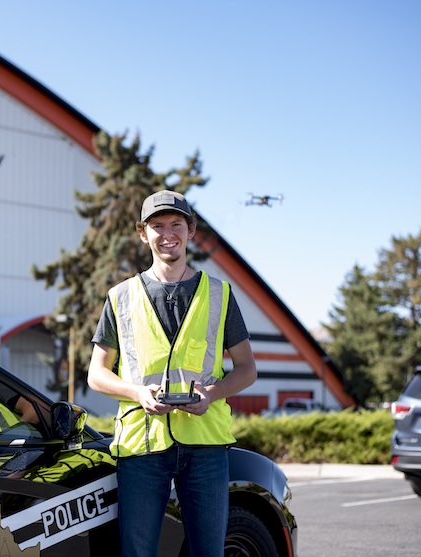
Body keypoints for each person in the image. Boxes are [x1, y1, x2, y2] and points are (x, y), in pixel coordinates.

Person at [87, 190, 258, 557]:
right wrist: (137, 394)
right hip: (142, 445)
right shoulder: (120, 297)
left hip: (205, 445)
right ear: (142, 233)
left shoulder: (220, 294)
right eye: (157, 226)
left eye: (176, 224)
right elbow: (96, 375)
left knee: (209, 552)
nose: (168, 234)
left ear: (191, 230)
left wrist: (211, 394)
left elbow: (247, 369)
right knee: (138, 552)